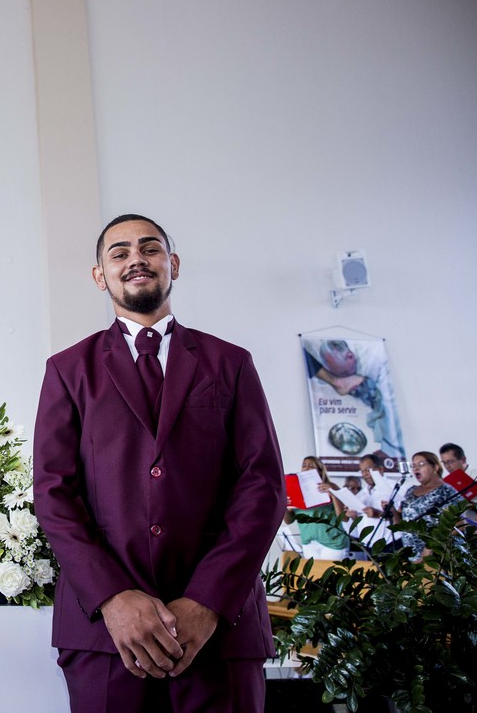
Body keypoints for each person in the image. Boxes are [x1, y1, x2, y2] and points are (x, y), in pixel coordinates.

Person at [33, 214, 285, 713]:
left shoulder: (230, 364)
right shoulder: (67, 370)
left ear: (172, 264)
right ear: (100, 276)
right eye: (119, 253)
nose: (136, 260)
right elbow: (54, 494)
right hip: (106, 636)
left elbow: (262, 487)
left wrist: (206, 601)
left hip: (220, 629)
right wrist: (113, 598)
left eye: (149, 249)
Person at [283, 457, 349, 560]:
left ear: (320, 471)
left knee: (331, 575)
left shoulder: (331, 486)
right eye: (304, 466)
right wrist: (282, 505)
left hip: (333, 543)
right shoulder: (295, 490)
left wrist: (333, 494)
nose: (306, 468)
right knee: (313, 575)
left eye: (311, 466)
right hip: (309, 543)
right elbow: (289, 521)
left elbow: (344, 518)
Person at [394, 451, 456, 559]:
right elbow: (402, 524)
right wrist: (392, 512)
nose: (416, 468)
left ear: (435, 467)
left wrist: (430, 548)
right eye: (413, 465)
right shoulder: (410, 491)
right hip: (412, 555)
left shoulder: (446, 491)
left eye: (421, 464)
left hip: (437, 555)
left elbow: (457, 524)